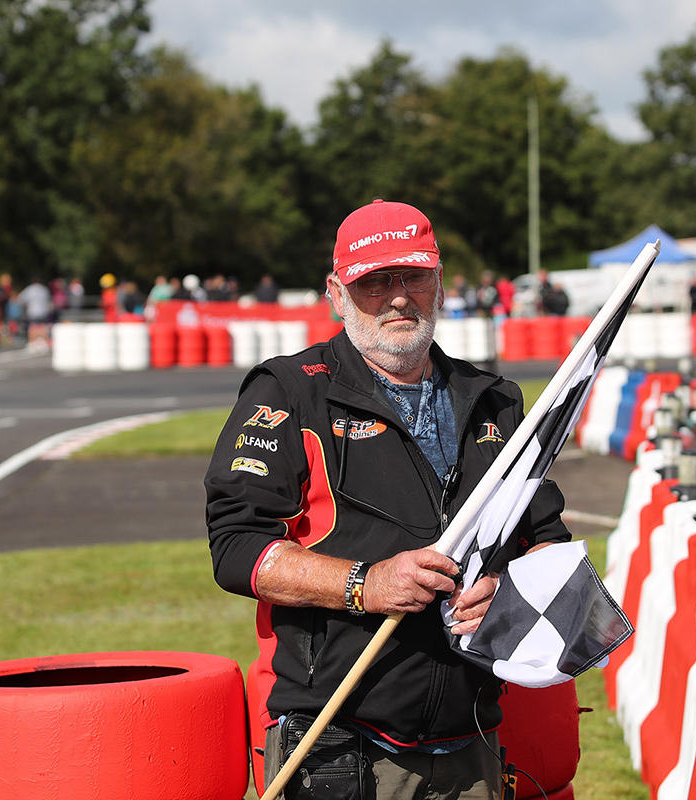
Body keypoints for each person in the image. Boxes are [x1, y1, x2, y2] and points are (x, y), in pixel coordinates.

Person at [205, 199, 571, 800]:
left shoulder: (495, 399)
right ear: (337, 292)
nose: (397, 297)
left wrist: (510, 595)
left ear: (439, 282)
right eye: (374, 281)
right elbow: (237, 547)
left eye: (411, 276)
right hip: (337, 741)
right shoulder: (289, 391)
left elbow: (547, 539)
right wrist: (364, 583)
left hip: (472, 738)